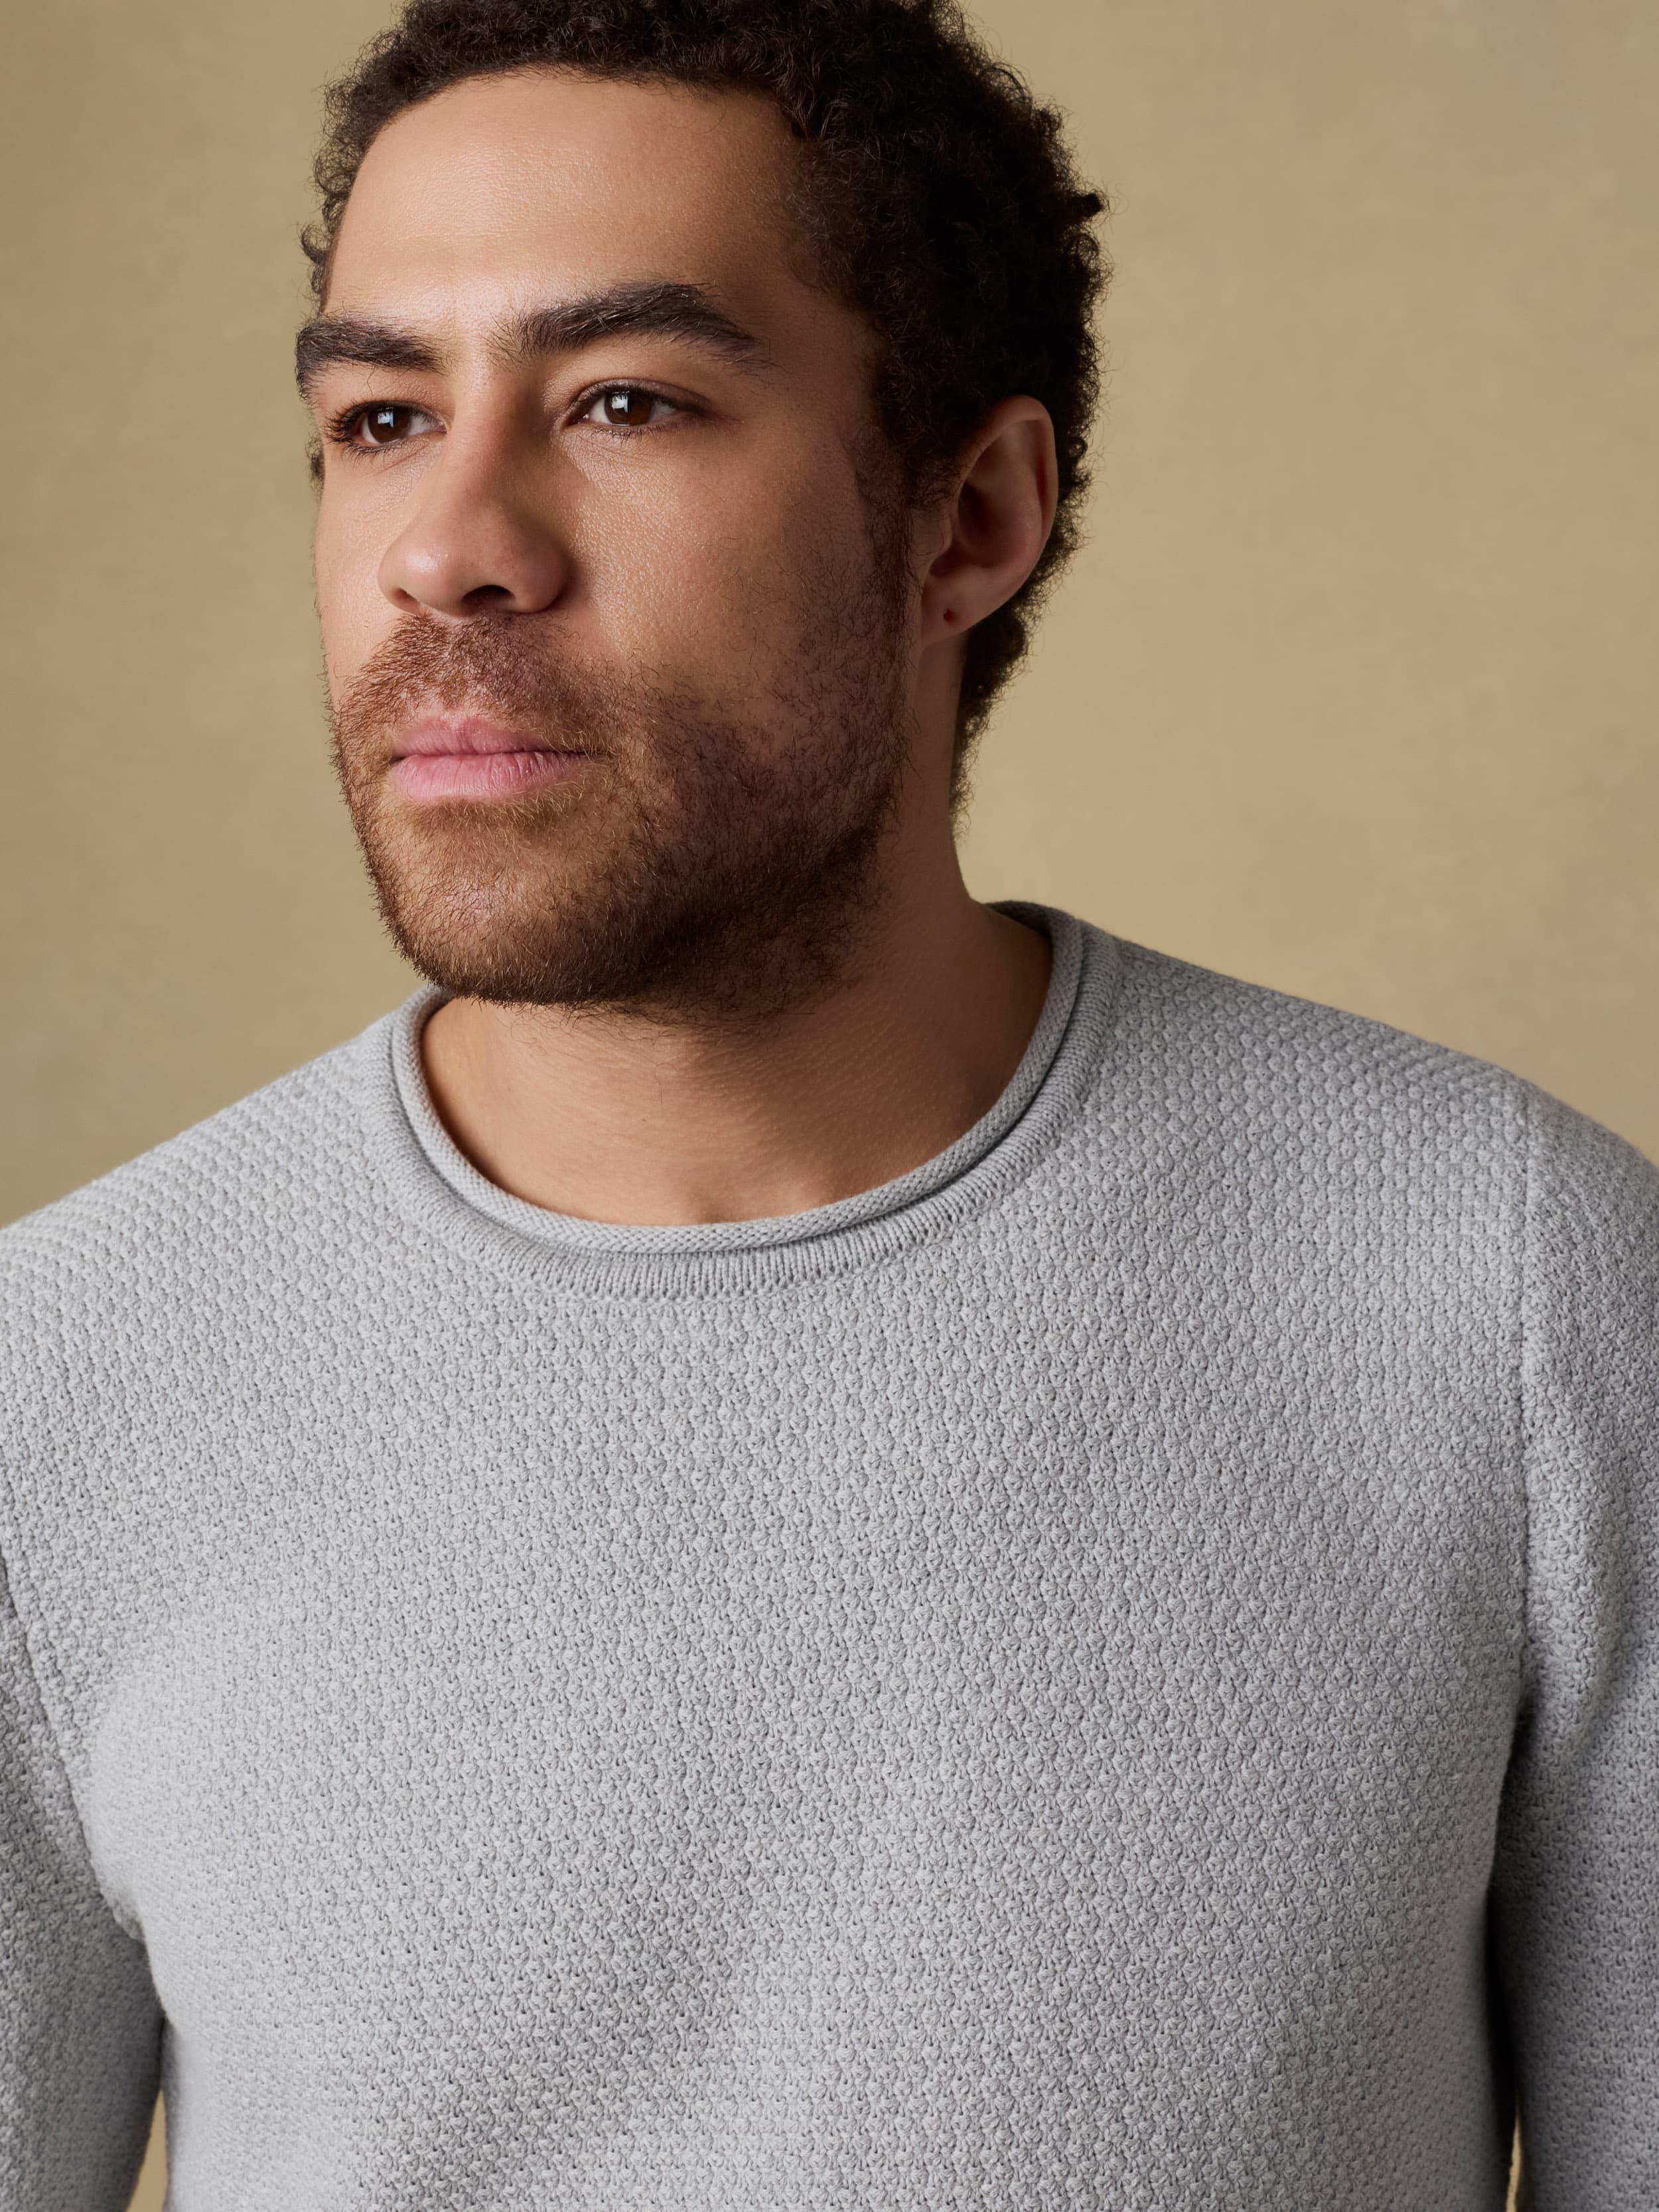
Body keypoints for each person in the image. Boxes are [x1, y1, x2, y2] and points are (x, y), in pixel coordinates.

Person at [1, 0, 1653, 2203]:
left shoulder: (1507, 1294)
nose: (449, 545)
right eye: (381, 417)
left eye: (624, 401)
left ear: (968, 517)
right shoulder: (58, 1388)